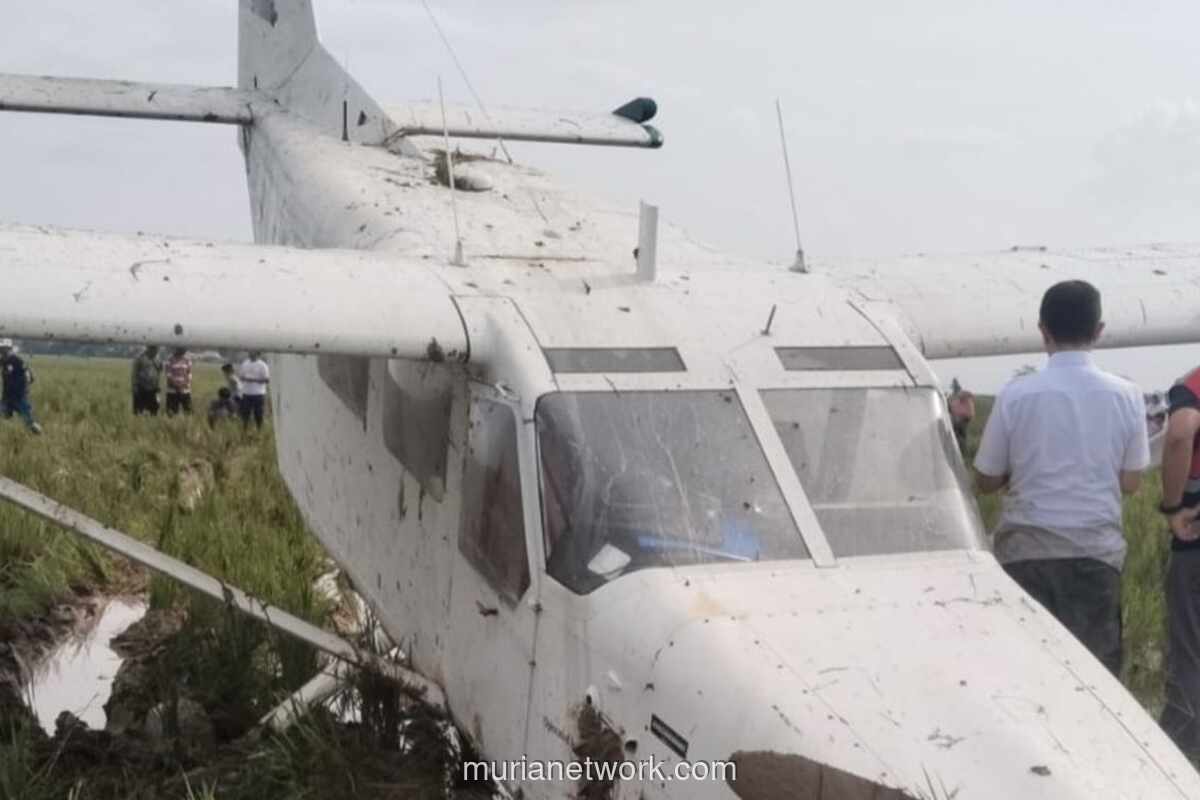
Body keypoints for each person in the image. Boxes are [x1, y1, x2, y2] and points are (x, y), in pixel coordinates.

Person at [973, 280, 1149, 677]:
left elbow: (985, 478)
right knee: (1095, 684)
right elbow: (1132, 482)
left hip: (1025, 554)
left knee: (1027, 677)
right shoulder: (1127, 395)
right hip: (1095, 556)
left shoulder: (1016, 394)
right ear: (1099, 331)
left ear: (1042, 330)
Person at [1156, 368, 1200, 758]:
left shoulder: (1192, 388)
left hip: (1195, 537)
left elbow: (1182, 430)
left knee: (1190, 647)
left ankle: (1180, 752)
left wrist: (1172, 506)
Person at [0, 340, 41, 434]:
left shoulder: (17, 360)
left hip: (19, 397)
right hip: (7, 397)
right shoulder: (4, 361)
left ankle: (39, 436)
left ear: (8, 349)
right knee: (3, 415)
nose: (1, 351)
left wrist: (25, 387)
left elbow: (30, 376)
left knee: (29, 422)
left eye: (3, 349)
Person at [238, 351, 270, 430]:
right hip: (246, 393)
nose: (250, 354)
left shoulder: (262, 365)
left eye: (252, 352)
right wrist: (244, 379)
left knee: (258, 414)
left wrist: (253, 380)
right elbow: (241, 376)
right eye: (250, 352)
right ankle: (244, 429)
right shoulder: (245, 363)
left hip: (258, 394)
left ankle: (259, 429)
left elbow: (266, 380)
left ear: (258, 354)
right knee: (245, 413)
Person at [947, 378, 976, 453]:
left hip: (963, 417)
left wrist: (958, 395)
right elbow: (951, 407)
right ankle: (959, 449)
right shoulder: (954, 397)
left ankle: (961, 450)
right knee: (958, 434)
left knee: (960, 434)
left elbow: (969, 395)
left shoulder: (964, 394)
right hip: (958, 418)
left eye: (954, 387)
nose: (953, 389)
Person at [131, 345, 162, 416]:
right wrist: (134, 386)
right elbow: (134, 373)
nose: (155, 351)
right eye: (153, 349)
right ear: (148, 348)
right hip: (141, 387)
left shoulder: (158, 358)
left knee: (154, 409)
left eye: (157, 349)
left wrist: (159, 385)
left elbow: (160, 372)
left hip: (154, 388)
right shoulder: (140, 358)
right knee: (139, 410)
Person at [164, 348, 194, 416]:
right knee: (171, 413)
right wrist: (176, 386)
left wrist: (183, 385)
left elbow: (189, 374)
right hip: (172, 391)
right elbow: (168, 374)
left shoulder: (187, 360)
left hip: (185, 391)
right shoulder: (170, 360)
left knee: (188, 412)